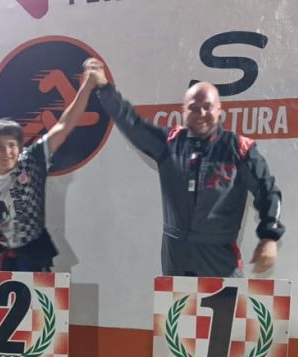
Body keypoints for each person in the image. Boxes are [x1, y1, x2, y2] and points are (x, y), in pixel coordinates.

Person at [0, 66, 101, 357]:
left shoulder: (34, 161)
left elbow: (64, 124)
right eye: (0, 147)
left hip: (34, 255)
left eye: (13, 145)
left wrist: (86, 87)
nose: (8, 152)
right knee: (1, 326)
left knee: (45, 322)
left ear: (19, 146)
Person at [85, 58, 284, 277]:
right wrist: (104, 88)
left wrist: (269, 236)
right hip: (176, 259)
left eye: (207, 107)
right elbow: (131, 123)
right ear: (183, 111)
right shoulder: (169, 143)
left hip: (219, 260)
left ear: (219, 110)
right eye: (194, 108)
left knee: (223, 302)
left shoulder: (239, 149)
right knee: (177, 302)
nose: (201, 113)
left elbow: (267, 191)